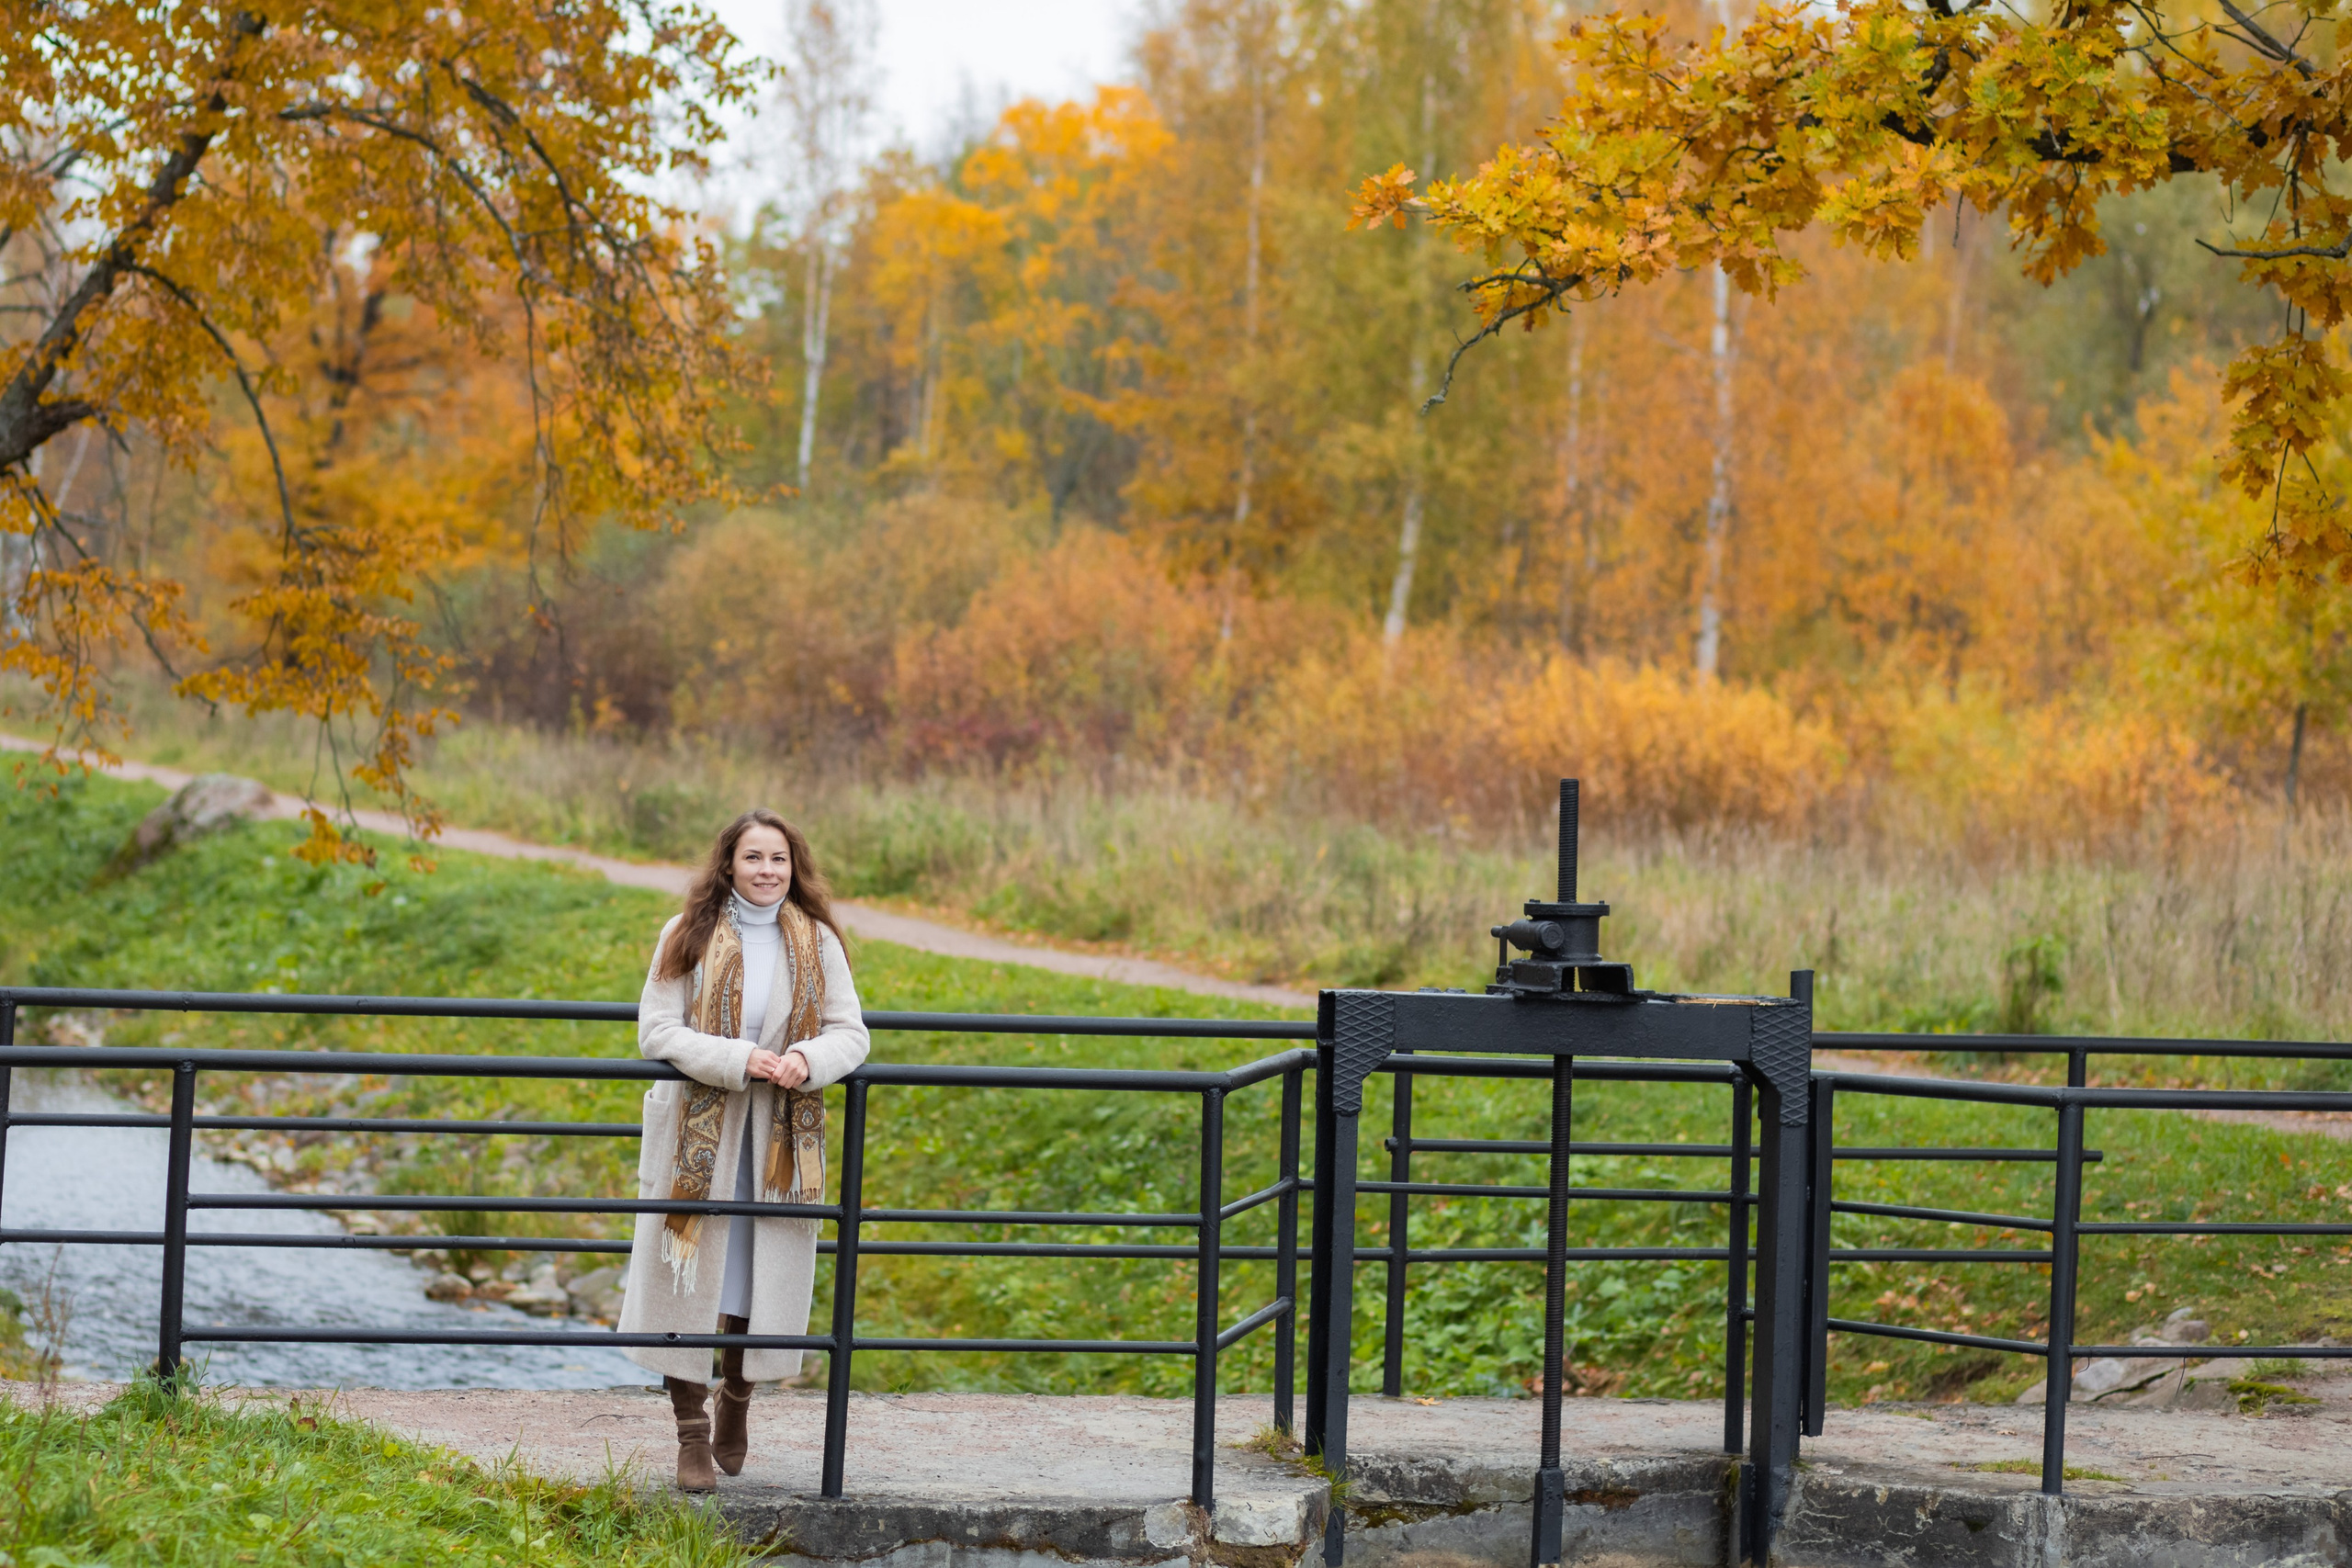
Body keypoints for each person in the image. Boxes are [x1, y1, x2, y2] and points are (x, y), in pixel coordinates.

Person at [617, 808, 869, 1491]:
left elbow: (852, 1032)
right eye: (754, 857)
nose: (767, 871)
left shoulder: (817, 940)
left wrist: (804, 1059)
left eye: (779, 859)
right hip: (700, 1135)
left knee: (751, 1281)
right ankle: (690, 1433)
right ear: (729, 863)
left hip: (779, 1140)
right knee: (690, 1280)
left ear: (794, 867)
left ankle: (738, 1398)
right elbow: (657, 1030)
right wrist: (739, 1057)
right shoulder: (688, 934)